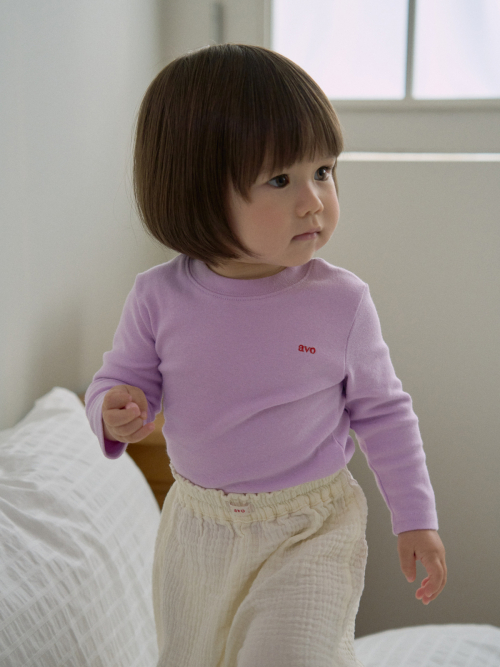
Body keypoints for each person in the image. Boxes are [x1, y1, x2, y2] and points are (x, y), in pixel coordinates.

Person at [85, 44, 447, 667]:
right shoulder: (158, 298)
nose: (314, 200)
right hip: (198, 531)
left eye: (323, 171)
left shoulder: (341, 302)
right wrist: (114, 409)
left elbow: (384, 412)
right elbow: (120, 381)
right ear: (196, 191)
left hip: (310, 527)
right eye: (280, 180)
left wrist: (415, 517)